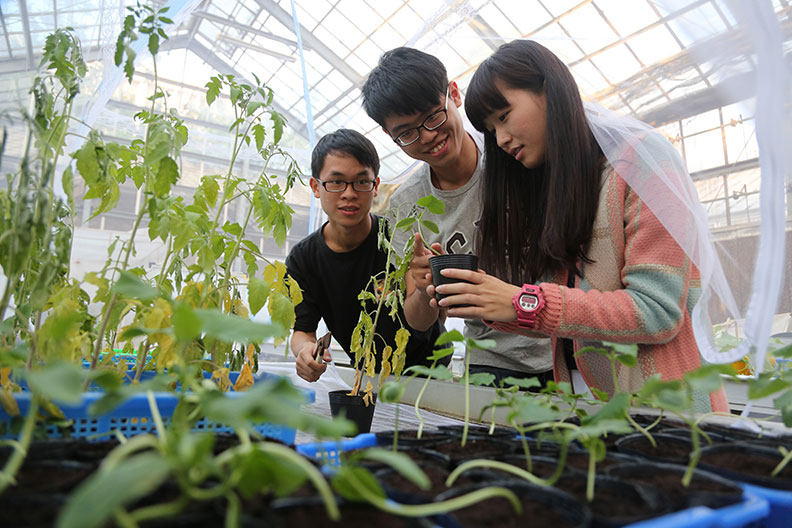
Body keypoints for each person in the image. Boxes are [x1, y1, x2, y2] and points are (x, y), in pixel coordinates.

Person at [427, 39, 728, 412]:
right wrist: (486, 302)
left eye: (503, 116)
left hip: (667, 411)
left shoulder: (641, 158)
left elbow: (657, 311)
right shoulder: (557, 186)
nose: (500, 140)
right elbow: (570, 313)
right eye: (490, 130)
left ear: (548, 90)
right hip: (589, 404)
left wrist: (524, 302)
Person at [361, 47, 553, 388]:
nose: (428, 137)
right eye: (407, 133)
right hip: (490, 361)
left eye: (433, 116)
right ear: (391, 138)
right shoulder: (408, 206)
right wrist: (422, 291)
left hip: (565, 348)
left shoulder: (514, 151)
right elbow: (418, 321)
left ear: (453, 94)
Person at [286, 128, 446, 383]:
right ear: (316, 187)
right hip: (366, 378)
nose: (349, 193)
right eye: (336, 182)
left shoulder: (398, 236)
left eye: (361, 181)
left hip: (431, 375)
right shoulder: (303, 259)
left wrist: (427, 290)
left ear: (375, 187)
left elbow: (423, 320)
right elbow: (303, 330)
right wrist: (305, 351)